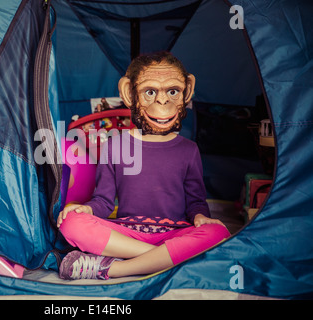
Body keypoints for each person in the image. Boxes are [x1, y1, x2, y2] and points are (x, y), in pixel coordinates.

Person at [57, 51, 230, 280]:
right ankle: (165, 260)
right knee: (71, 222)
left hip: (174, 234)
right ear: (129, 93)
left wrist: (200, 217)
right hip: (127, 235)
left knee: (219, 232)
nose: (162, 101)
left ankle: (116, 268)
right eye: (150, 92)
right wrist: (86, 209)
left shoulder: (189, 150)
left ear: (187, 91)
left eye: (173, 91)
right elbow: (104, 201)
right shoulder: (114, 146)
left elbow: (196, 203)